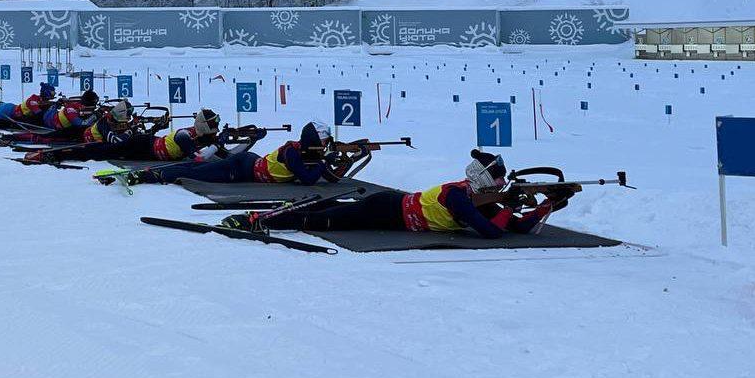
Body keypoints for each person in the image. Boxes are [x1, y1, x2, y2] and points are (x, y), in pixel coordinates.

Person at [221, 149, 570, 237]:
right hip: (387, 209)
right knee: (324, 221)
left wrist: (548, 206)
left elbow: (518, 228)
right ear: (482, 180)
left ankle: (277, 215)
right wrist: (507, 206)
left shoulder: (480, 198)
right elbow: (491, 231)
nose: (501, 185)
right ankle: (259, 220)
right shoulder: (459, 196)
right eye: (496, 180)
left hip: (394, 215)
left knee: (331, 216)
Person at [115, 121, 332, 186]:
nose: (324, 145)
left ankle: (153, 173)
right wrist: (323, 164)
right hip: (240, 168)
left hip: (247, 164)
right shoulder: (293, 152)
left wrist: (327, 163)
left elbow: (322, 175)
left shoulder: (304, 151)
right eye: (322, 140)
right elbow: (308, 179)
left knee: (198, 168)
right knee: (196, 171)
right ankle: (151, 175)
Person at [29, 108, 221, 164]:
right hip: (141, 146)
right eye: (213, 126)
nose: (216, 129)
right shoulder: (185, 136)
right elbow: (198, 159)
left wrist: (218, 145)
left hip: (147, 150)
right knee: (100, 151)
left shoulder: (199, 135)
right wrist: (216, 145)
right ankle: (53, 154)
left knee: (104, 150)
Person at [8, 90, 100, 145]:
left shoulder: (78, 106)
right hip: (47, 120)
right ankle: (11, 135)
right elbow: (81, 124)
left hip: (51, 116)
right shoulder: (71, 110)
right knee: (41, 133)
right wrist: (94, 116)